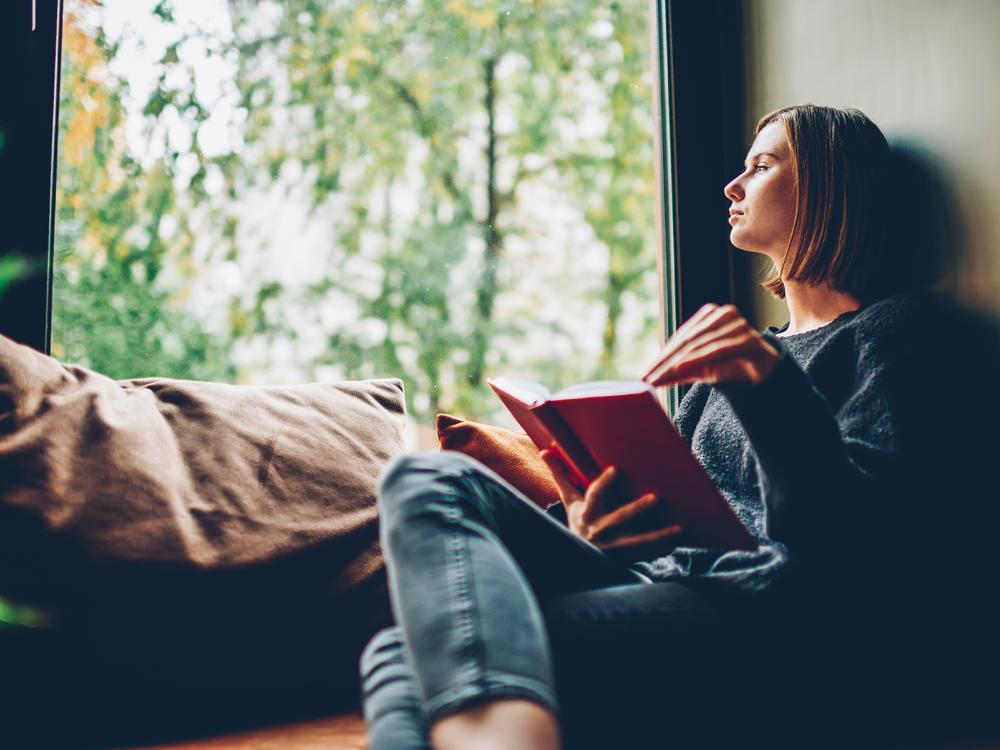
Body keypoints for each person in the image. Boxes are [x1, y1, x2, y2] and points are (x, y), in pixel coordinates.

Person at [357, 104, 991, 750]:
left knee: (418, 652)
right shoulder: (728, 367)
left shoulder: (891, 335)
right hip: (661, 585)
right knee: (424, 483)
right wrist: (590, 528)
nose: (731, 186)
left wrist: (768, 384)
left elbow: (850, 549)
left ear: (828, 187)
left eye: (762, 165)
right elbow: (674, 519)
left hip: (768, 611)